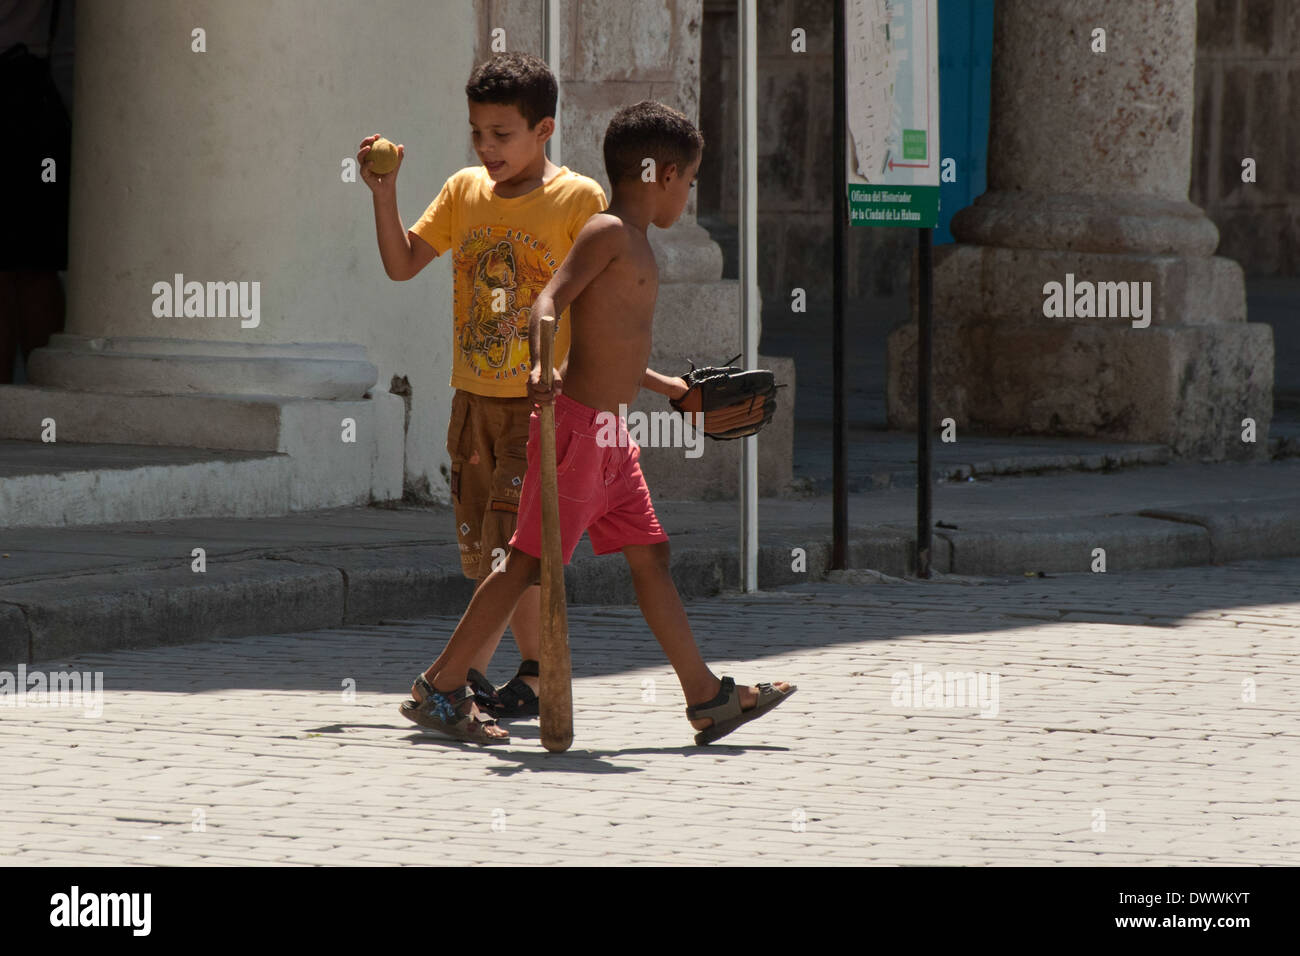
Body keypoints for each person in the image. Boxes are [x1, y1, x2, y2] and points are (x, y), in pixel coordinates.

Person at [399, 101, 796, 746]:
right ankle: (440, 685)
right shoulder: (608, 233)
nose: (688, 196)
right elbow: (547, 300)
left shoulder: (635, 243)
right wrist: (539, 364)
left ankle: (706, 699)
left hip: (614, 438)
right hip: (578, 433)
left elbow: (615, 347)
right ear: (661, 174)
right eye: (689, 182)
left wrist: (674, 390)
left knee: (652, 557)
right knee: (525, 564)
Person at [359, 52, 606, 718]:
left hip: (537, 408)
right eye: (477, 132)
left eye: (502, 134)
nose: (486, 147)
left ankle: (460, 676)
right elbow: (403, 263)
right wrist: (385, 197)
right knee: (487, 546)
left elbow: (596, 298)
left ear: (544, 129)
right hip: (471, 401)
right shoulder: (463, 191)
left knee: (512, 547)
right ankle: (531, 672)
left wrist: (564, 372)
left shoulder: (578, 199)